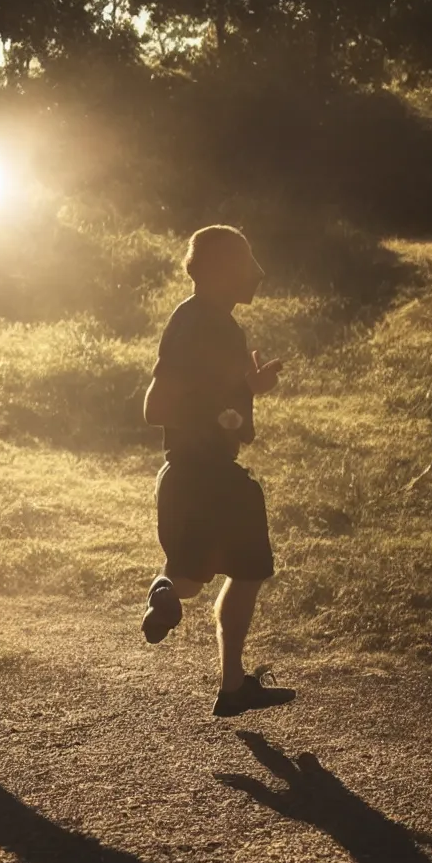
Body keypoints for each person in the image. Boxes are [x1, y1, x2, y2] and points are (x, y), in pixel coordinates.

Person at [140, 225, 296, 718]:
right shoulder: (215, 326)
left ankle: (163, 593)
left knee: (186, 578)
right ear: (221, 271)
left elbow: (201, 403)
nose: (259, 273)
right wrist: (238, 394)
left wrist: (244, 386)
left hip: (180, 478)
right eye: (247, 262)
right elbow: (158, 407)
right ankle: (231, 686)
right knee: (247, 572)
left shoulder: (187, 319)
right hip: (217, 481)